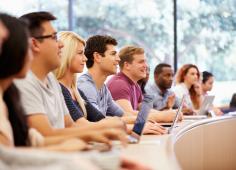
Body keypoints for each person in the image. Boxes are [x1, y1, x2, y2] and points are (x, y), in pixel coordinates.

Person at [14, 11, 127, 146]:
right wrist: (96, 133)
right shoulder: (24, 82)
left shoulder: (51, 79)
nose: (61, 44)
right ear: (35, 44)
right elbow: (46, 135)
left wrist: (104, 130)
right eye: (54, 37)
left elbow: (69, 126)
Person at [78, 35, 166, 135]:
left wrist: (143, 122)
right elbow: (98, 121)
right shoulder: (86, 86)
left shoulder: (103, 88)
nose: (118, 59)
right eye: (113, 54)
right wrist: (137, 126)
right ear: (97, 57)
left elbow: (123, 115)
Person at [54, 31, 124, 127]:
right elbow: (83, 125)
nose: (85, 58)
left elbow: (100, 118)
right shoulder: (61, 89)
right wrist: (129, 128)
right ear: (66, 55)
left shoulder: (77, 92)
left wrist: (132, 127)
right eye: (80, 53)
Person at [107, 45, 181, 123]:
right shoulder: (119, 84)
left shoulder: (135, 85)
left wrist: (168, 114)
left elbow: (145, 111)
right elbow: (128, 115)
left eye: (145, 62)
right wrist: (162, 116)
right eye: (141, 62)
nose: (145, 66)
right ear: (127, 65)